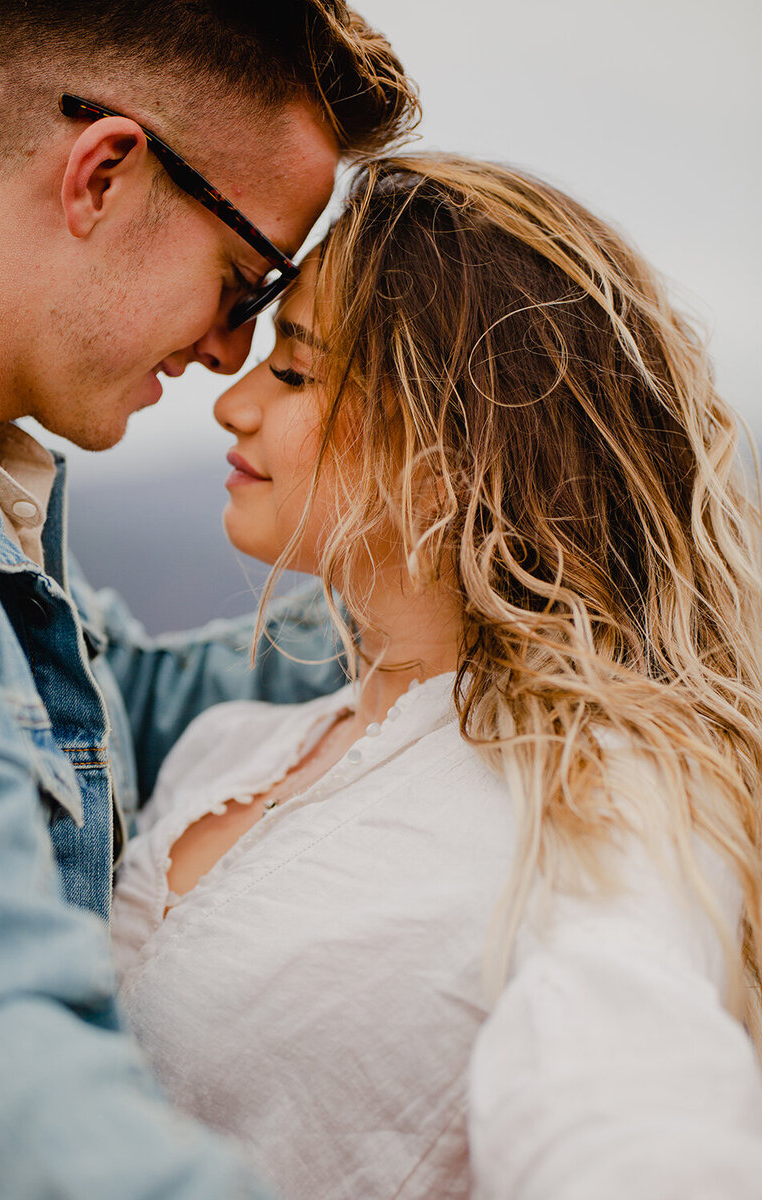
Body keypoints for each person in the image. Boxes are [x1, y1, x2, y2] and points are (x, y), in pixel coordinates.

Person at [111, 156, 762, 1199]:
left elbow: (631, 1113)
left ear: (447, 441)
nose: (231, 404)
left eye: (291, 371)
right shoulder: (223, 749)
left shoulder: (601, 791)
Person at [0, 3, 418, 1196]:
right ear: (103, 173)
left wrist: (466, 563)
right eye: (243, 280)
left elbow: (119, 709)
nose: (229, 356)